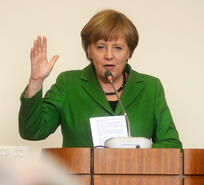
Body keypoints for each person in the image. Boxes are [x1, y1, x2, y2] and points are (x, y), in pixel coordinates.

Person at [19, 10, 182, 149]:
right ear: (88, 50)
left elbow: (172, 145)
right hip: (81, 183)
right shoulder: (69, 83)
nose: (109, 55)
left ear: (129, 53)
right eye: (101, 47)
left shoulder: (150, 87)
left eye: (118, 48)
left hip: (136, 184)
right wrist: (36, 81)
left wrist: (136, 149)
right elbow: (32, 131)